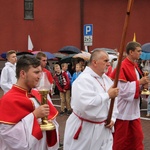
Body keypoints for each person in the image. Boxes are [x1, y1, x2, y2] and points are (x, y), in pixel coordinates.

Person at [64, 49, 119, 150]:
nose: (108, 64)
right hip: (86, 129)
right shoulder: (83, 80)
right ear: (94, 62)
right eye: (105, 61)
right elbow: (85, 105)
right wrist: (107, 95)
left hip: (103, 128)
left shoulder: (106, 79)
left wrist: (112, 118)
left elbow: (114, 102)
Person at [0, 56, 59, 150]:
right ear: (23, 74)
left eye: (40, 72)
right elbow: (8, 135)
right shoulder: (8, 100)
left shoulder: (37, 94)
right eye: (36, 72)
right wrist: (34, 115)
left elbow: (52, 121)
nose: (40, 76)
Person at [110, 41, 149, 150]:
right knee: (121, 138)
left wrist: (143, 87)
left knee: (137, 136)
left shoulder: (135, 65)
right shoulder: (122, 66)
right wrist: (139, 83)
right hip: (123, 109)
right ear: (131, 52)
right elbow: (122, 90)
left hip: (133, 108)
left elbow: (134, 85)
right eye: (138, 51)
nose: (140, 53)